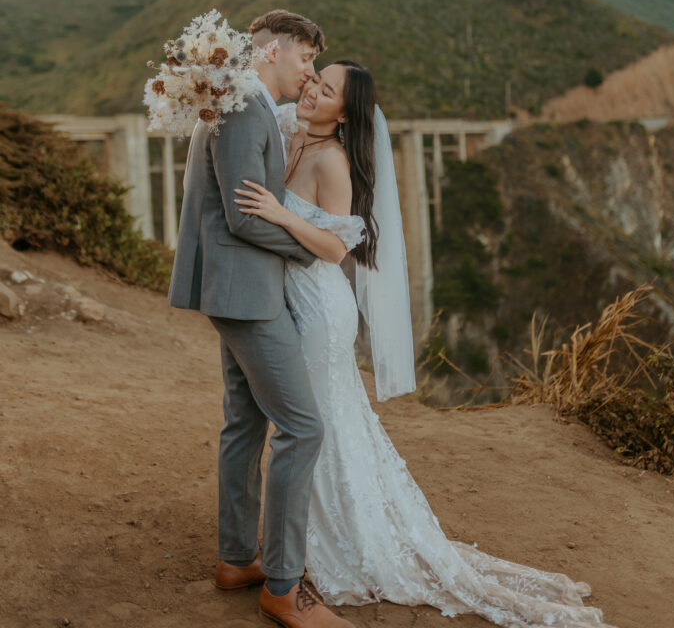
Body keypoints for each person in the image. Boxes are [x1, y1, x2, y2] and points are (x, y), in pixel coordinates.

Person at [235, 60, 618, 628]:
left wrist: (277, 215)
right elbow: (264, 103)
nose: (313, 89)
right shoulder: (293, 129)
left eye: (328, 89)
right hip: (291, 304)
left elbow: (336, 249)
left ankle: (319, 548)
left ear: (346, 113)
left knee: (315, 423)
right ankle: (300, 544)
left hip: (319, 311)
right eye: (315, 79)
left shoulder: (332, 161)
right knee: (323, 423)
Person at [169, 10, 355, 628]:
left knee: (245, 424)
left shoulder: (240, 101)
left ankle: (234, 558)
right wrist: (308, 250)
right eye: (306, 60)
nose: (308, 73)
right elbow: (247, 216)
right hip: (248, 294)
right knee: (303, 429)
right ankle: (282, 586)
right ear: (273, 49)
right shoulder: (245, 106)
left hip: (233, 288)